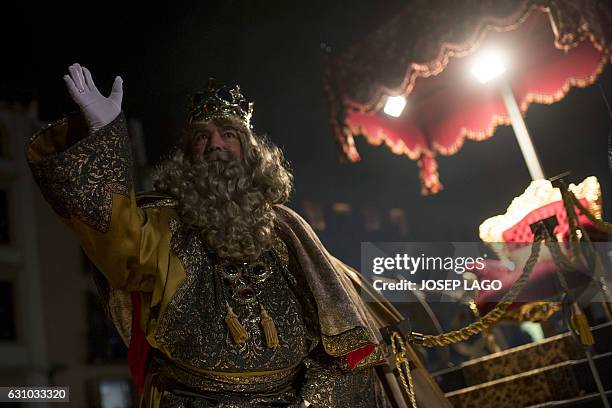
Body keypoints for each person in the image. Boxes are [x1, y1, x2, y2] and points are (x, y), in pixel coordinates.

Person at [26, 63, 399, 408]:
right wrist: (104, 137)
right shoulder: (164, 224)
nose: (216, 144)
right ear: (189, 155)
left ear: (251, 152)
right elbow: (121, 247)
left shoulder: (287, 229)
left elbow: (337, 336)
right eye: (202, 137)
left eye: (228, 134)